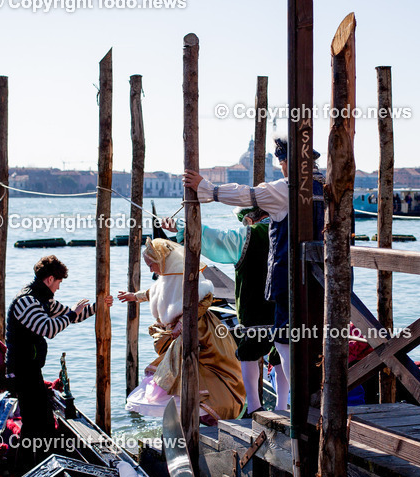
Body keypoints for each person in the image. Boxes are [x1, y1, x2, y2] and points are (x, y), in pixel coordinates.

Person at [182, 137, 324, 411]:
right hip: (325, 281)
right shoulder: (328, 187)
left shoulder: (288, 187)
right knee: (314, 342)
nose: (281, 168)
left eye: (282, 162)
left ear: (286, 162)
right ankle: (308, 405)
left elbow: (248, 195)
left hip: (292, 281)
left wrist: (207, 189)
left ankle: (304, 410)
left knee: (285, 344)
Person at [159, 206, 283, 415]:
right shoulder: (286, 230)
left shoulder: (249, 235)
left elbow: (216, 240)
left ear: (250, 218)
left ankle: (253, 405)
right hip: (284, 306)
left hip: (254, 309)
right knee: (281, 353)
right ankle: (282, 406)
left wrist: (182, 227)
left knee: (249, 353)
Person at [118, 237, 245, 421]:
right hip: (178, 334)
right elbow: (154, 292)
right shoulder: (166, 276)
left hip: (199, 331)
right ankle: (186, 419)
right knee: (178, 373)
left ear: (161, 260)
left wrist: (183, 323)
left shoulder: (186, 274)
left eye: (151, 265)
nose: (150, 269)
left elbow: (205, 298)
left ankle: (201, 414)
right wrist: (133, 296)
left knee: (198, 368)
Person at [5, 255, 112, 469]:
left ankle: (39, 468)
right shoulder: (27, 300)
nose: (59, 287)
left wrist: (99, 307)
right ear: (50, 279)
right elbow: (49, 329)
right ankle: (25, 472)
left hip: (32, 370)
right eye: (59, 282)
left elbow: (72, 316)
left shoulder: (44, 299)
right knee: (35, 426)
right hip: (20, 372)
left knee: (40, 424)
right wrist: (72, 314)